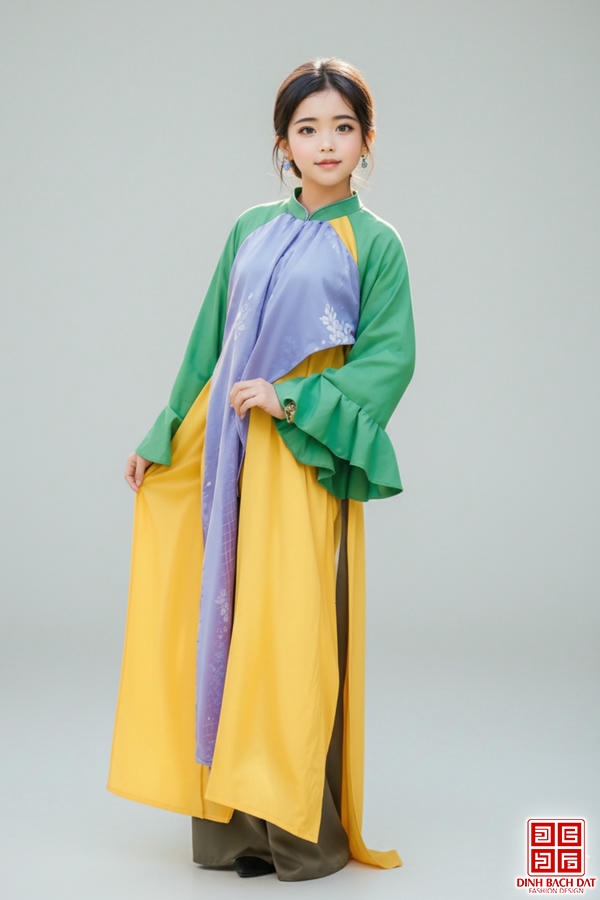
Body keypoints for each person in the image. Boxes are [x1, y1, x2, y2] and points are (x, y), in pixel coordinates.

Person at [107, 57, 416, 882]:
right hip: (226, 453)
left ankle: (299, 835)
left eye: (343, 127)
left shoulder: (376, 244)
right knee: (226, 621)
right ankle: (236, 832)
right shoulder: (250, 227)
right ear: (284, 143)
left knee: (289, 631)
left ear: (367, 141)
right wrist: (163, 432)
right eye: (308, 128)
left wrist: (292, 400)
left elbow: (390, 360)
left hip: (300, 456)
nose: (326, 143)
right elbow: (208, 338)